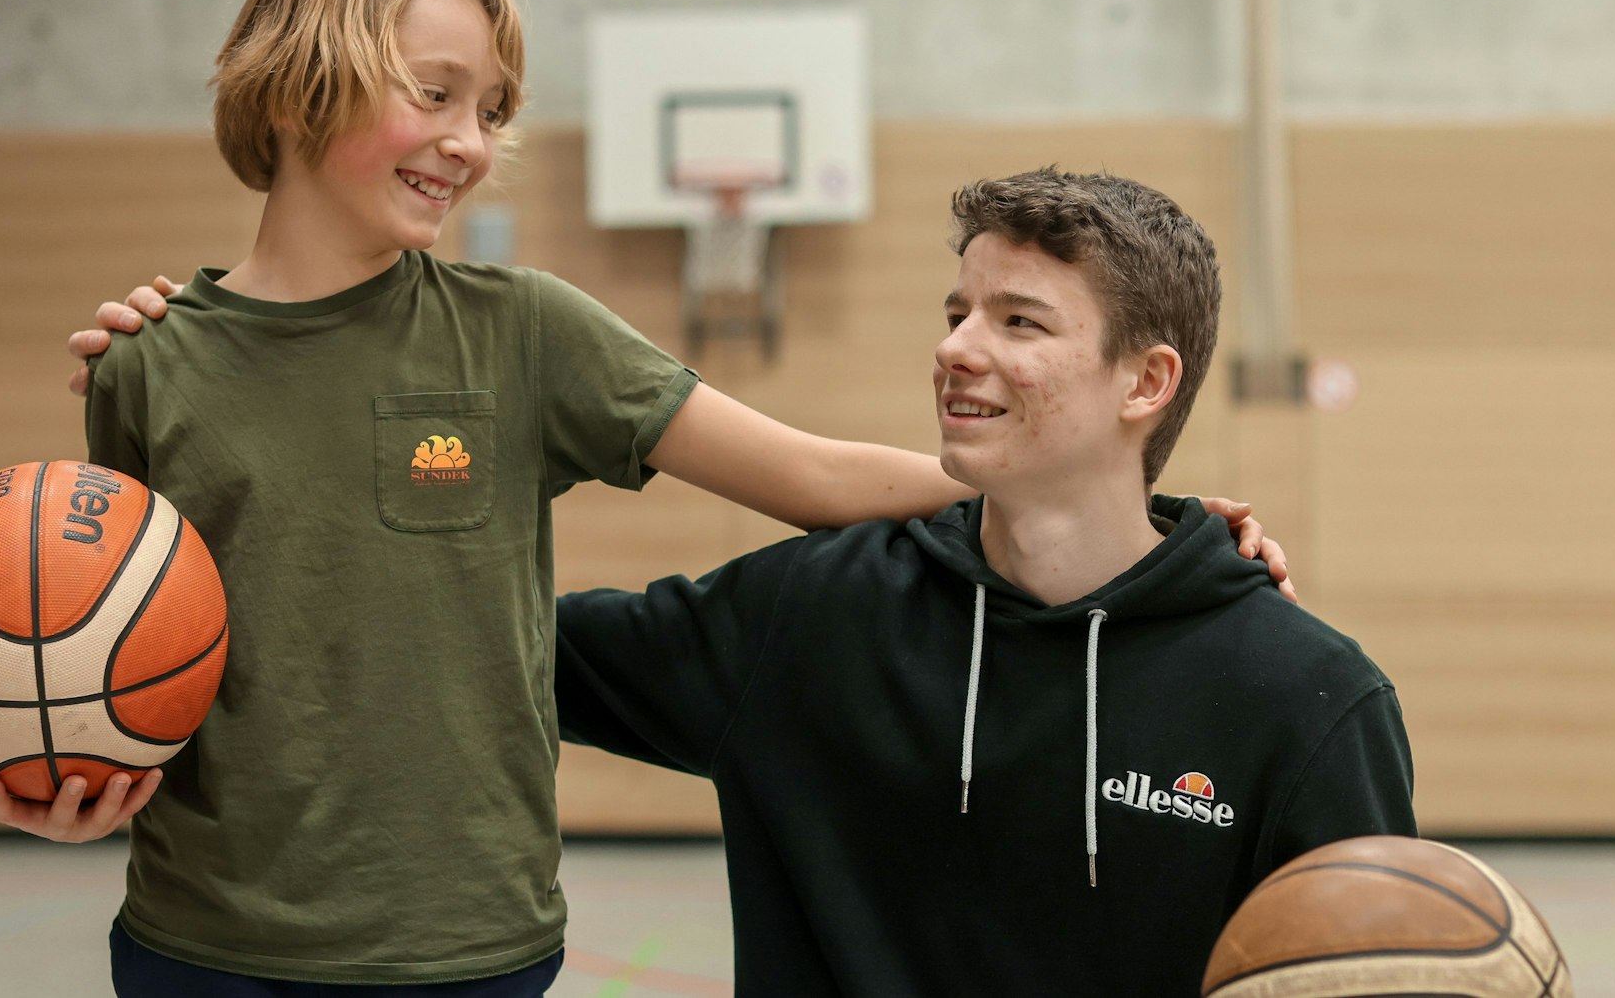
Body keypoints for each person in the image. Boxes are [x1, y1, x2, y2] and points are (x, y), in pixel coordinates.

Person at [0, 0, 1288, 995]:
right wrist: (57, 765)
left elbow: (812, 477)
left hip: (466, 950)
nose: (468, 141)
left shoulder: (525, 333)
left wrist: (1136, 513)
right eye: (433, 94)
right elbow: (119, 644)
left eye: (490, 109)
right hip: (198, 941)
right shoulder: (146, 364)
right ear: (295, 80)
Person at [549, 169, 1415, 996]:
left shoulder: (1306, 697)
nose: (954, 347)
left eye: (1019, 322)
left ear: (1146, 381)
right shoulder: (811, 612)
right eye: (958, 313)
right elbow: (514, 652)